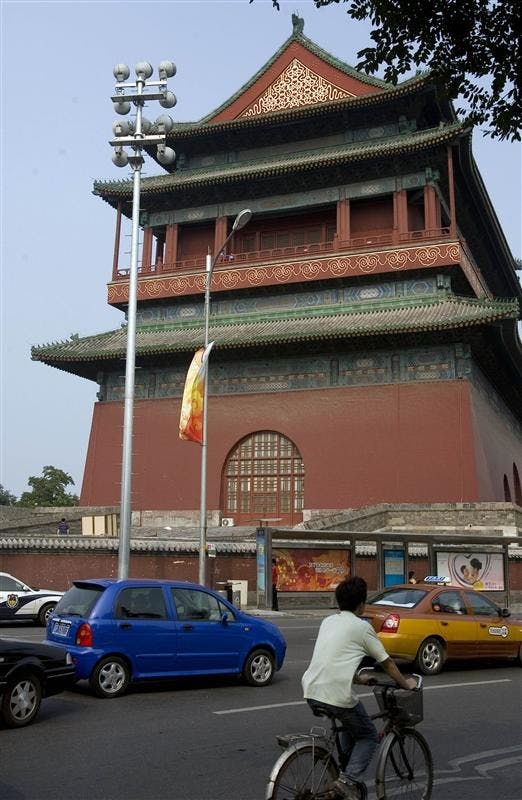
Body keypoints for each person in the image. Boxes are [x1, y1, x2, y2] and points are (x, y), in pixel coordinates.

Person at [302, 576, 417, 800]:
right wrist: (406, 683)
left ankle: (343, 780)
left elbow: (331, 661)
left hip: (311, 690)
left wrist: (358, 678)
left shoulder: (328, 621)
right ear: (361, 604)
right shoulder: (362, 627)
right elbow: (387, 663)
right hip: (336, 695)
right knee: (369, 737)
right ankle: (347, 781)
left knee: (350, 725)